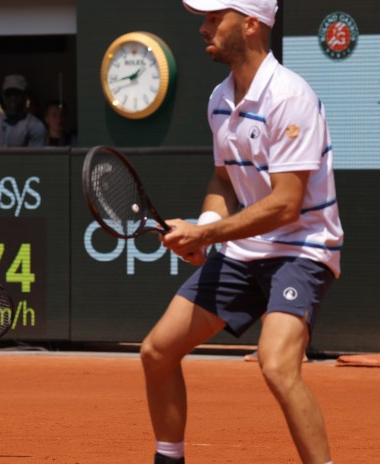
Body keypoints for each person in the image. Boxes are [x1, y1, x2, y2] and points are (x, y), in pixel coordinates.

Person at [140, 1, 343, 464]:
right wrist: (208, 226)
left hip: (303, 249)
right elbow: (224, 179)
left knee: (276, 366)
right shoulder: (219, 99)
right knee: (156, 351)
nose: (204, 29)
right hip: (244, 251)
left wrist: (205, 236)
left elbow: (286, 204)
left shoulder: (290, 97)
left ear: (250, 25)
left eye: (215, 19)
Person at [0, 74, 46, 147]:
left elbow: (35, 157)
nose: (12, 98)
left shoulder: (35, 126)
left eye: (17, 94)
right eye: (9, 94)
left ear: (25, 97)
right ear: (3, 96)